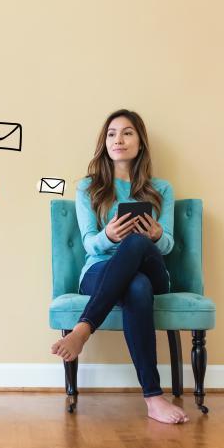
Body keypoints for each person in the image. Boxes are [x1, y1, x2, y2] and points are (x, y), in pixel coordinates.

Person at [50, 109, 189, 424]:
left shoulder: (161, 189)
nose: (119, 139)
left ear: (140, 143)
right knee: (135, 285)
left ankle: (83, 329)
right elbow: (89, 244)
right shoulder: (89, 187)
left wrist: (155, 235)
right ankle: (153, 399)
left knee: (139, 245)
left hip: (155, 270)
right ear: (105, 142)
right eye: (112, 133)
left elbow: (167, 243)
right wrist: (107, 236)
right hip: (99, 271)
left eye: (127, 133)